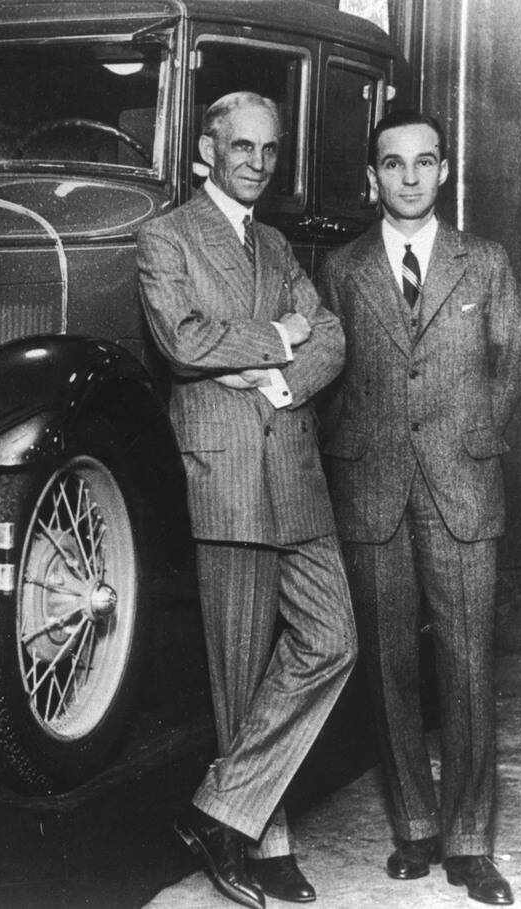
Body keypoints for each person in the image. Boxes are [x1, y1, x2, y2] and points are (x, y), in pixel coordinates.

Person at [138, 91, 356, 908]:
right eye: (242, 147)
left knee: (333, 639)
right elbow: (183, 339)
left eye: (269, 150)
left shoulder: (276, 243)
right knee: (239, 670)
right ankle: (267, 841)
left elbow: (331, 334)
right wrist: (277, 335)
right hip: (225, 471)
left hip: (292, 465)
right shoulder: (167, 236)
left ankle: (218, 809)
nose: (258, 163)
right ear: (208, 149)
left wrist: (275, 379)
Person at [318, 110, 521, 906]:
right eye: (393, 163)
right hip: (372, 490)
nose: (409, 177)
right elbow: (331, 374)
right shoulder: (342, 268)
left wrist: (470, 438)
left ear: (443, 170)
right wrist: (352, 448)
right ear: (373, 176)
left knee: (468, 666)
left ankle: (469, 840)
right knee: (388, 665)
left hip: (461, 488)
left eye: (423, 162)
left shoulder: (487, 262)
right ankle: (413, 824)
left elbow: (512, 365)